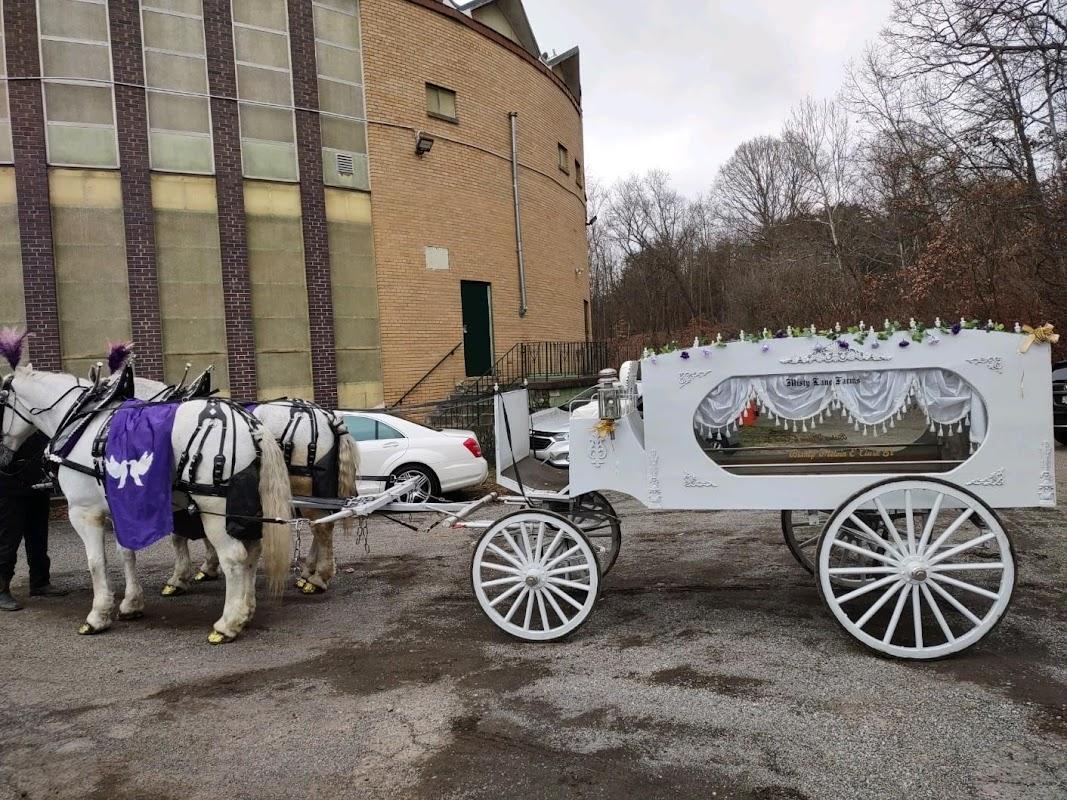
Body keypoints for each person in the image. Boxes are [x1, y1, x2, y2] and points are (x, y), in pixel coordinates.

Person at [0, 431, 66, 611]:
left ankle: (40, 582)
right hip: (9, 486)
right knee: (7, 540)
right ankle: (1, 588)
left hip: (36, 481)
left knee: (38, 536)